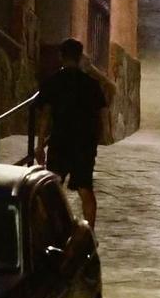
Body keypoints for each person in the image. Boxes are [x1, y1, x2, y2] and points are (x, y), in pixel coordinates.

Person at [35, 39, 109, 229]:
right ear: (79, 56)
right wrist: (100, 135)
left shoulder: (53, 81)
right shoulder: (91, 84)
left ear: (61, 55)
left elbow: (46, 115)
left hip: (60, 140)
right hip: (84, 143)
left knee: (52, 187)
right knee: (85, 189)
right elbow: (101, 113)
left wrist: (40, 144)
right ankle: (89, 233)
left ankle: (52, 229)